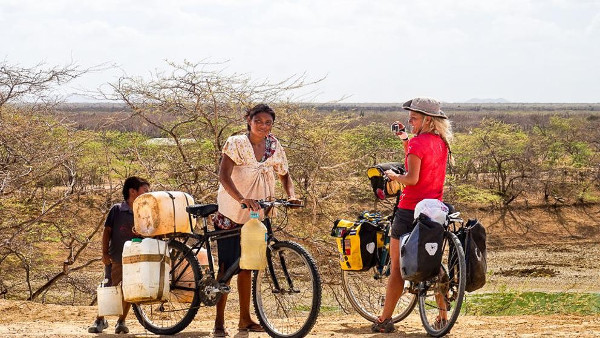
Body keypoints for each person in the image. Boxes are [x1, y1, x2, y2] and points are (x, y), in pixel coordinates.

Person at [213, 103, 300, 337]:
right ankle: (219, 321)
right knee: (226, 267)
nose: (263, 126)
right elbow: (223, 175)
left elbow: (284, 174)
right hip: (232, 211)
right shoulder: (236, 143)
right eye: (258, 121)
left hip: (260, 211)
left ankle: (245, 319)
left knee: (248, 266)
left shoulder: (274, 145)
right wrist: (242, 198)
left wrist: (291, 195)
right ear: (249, 120)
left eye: (268, 122)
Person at [371, 97, 453, 333]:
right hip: (435, 209)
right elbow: (420, 160)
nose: (410, 121)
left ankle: (385, 319)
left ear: (428, 119)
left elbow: (412, 179)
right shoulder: (441, 143)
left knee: (396, 268)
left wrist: (394, 176)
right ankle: (442, 316)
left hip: (410, 211)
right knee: (433, 262)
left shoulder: (419, 143)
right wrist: (405, 139)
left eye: (414, 118)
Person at [88, 176, 150, 334]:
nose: (148, 194)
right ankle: (100, 320)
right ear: (132, 191)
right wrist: (104, 253)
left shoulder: (145, 212)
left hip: (136, 259)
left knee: (129, 291)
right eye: (145, 191)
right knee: (109, 288)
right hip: (115, 258)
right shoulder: (117, 209)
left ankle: (121, 322)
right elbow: (107, 231)